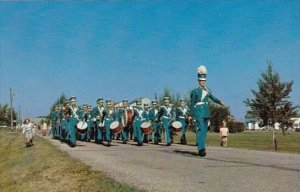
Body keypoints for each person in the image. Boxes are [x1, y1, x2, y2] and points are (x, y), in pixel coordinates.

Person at [189, 65, 225, 157]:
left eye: (204, 81)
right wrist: (190, 114)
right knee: (201, 129)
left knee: (204, 131)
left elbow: (213, 98)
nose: (203, 82)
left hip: (206, 112)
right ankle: (201, 149)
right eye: (201, 81)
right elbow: (192, 104)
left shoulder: (207, 91)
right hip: (198, 112)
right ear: (198, 81)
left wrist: (219, 102)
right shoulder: (195, 91)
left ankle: (202, 147)